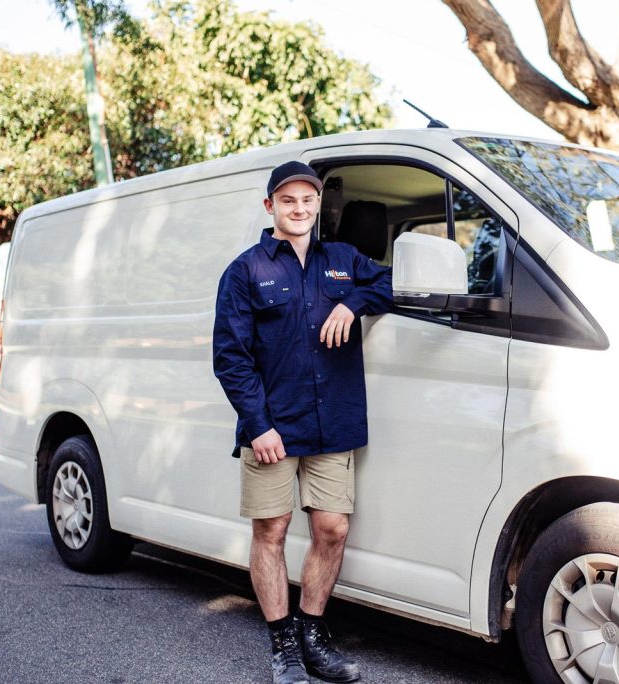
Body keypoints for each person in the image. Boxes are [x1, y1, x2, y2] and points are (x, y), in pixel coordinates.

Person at [213, 160, 392, 684]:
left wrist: (352, 303)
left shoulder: (343, 260)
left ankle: (313, 637)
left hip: (332, 422)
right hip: (273, 427)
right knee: (271, 530)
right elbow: (231, 358)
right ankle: (283, 648)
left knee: (332, 529)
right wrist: (258, 424)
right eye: (288, 200)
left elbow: (389, 280)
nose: (300, 209)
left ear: (319, 205)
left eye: (308, 200)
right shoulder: (245, 271)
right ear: (270, 206)